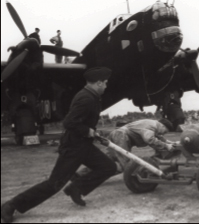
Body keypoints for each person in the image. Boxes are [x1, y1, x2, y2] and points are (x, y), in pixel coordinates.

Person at [1, 67, 118, 223]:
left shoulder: (91, 96)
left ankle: (76, 188)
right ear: (97, 83)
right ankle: (10, 205)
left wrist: (92, 133)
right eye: (105, 83)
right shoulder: (86, 98)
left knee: (108, 167)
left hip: (84, 145)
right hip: (74, 147)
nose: (106, 86)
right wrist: (87, 131)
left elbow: (81, 121)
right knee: (54, 184)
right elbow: (69, 122)